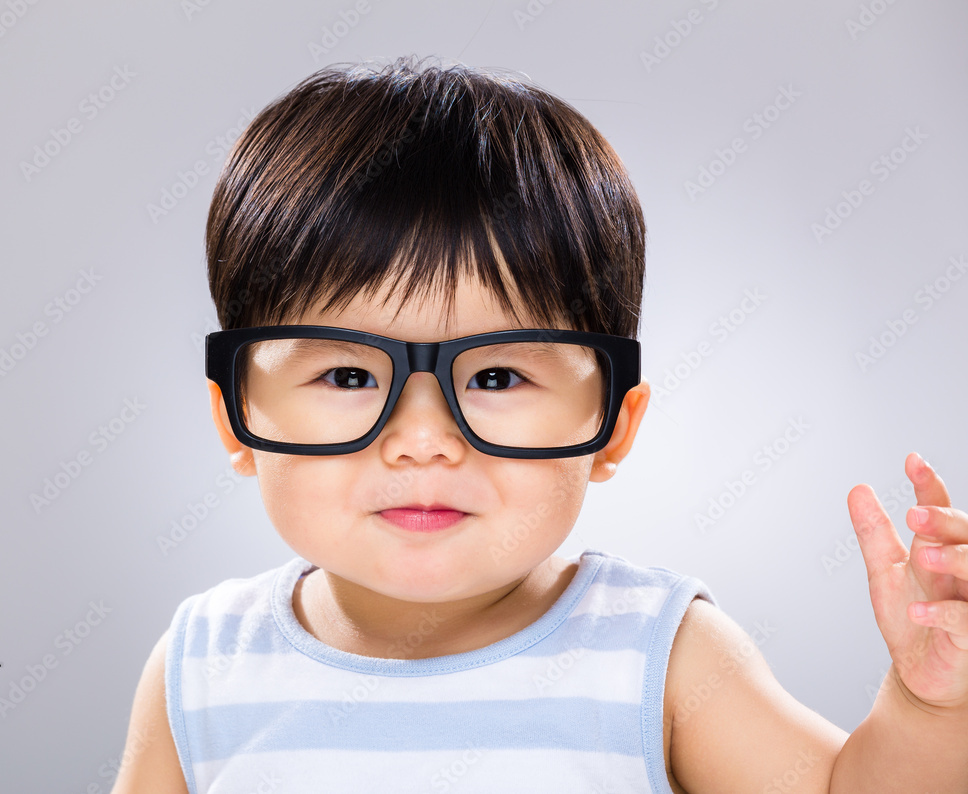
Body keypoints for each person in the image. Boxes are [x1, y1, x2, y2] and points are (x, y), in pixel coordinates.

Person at [112, 54, 968, 793]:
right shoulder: (201, 665)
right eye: (345, 374)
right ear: (236, 416)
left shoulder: (659, 654)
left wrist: (929, 705)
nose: (421, 439)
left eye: (493, 375)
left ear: (611, 425)